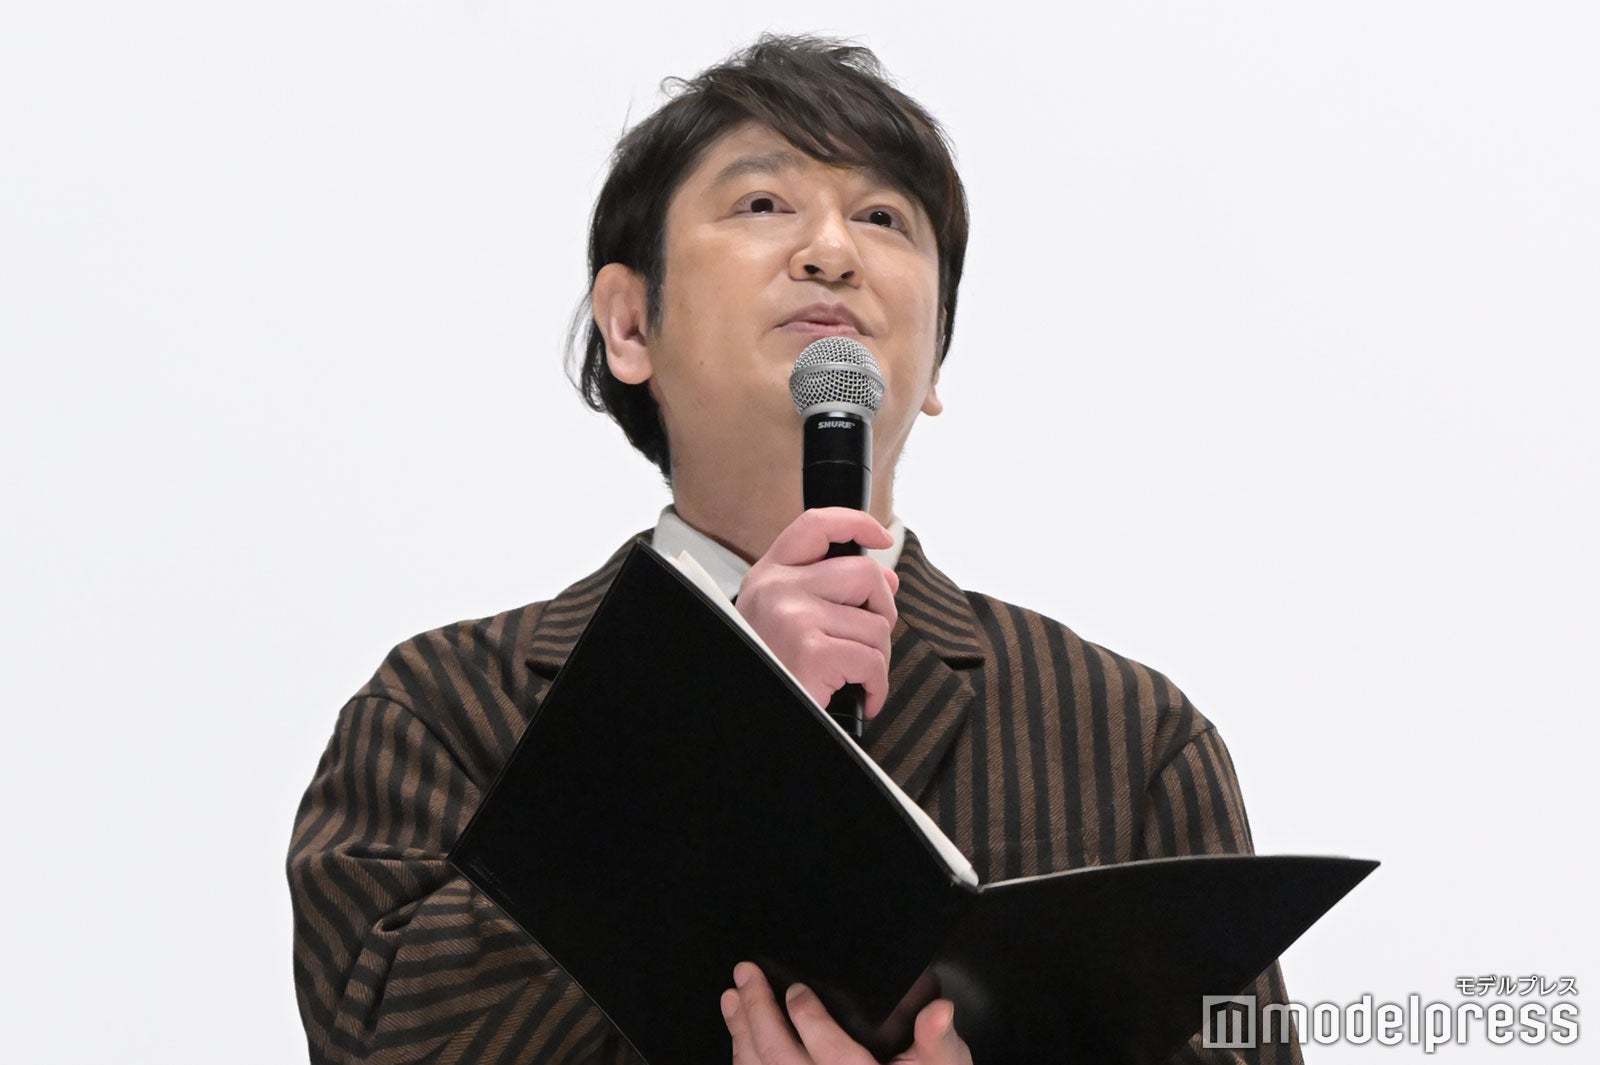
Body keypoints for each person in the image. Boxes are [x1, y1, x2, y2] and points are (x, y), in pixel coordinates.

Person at [288, 34, 1301, 1065]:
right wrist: (713, 720)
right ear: (629, 324)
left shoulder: (1127, 734)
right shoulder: (440, 709)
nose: (832, 252)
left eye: (882, 218)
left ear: (934, 357)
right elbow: (385, 1038)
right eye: (763, 203)